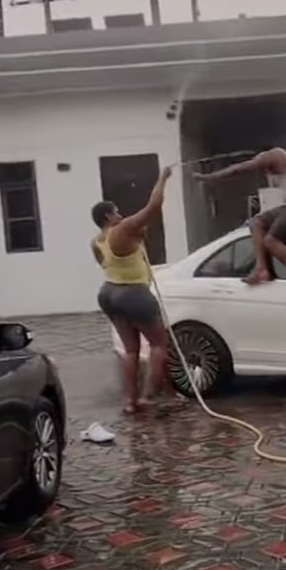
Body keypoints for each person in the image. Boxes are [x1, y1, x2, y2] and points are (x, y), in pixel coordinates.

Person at [195, 147, 286, 308]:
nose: (275, 172)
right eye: (270, 170)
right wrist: (209, 178)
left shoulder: (281, 158)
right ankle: (262, 269)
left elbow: (242, 168)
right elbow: (236, 170)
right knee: (256, 222)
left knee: (271, 240)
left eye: (275, 169)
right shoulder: (265, 161)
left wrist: (209, 177)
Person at [90, 166, 172, 414]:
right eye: (116, 211)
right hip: (134, 293)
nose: (120, 214)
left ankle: (130, 401)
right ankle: (147, 397)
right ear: (107, 216)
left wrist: (138, 238)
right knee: (159, 345)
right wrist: (163, 176)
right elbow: (154, 205)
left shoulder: (96, 241)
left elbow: (108, 263)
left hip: (109, 293)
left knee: (131, 350)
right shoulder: (122, 229)